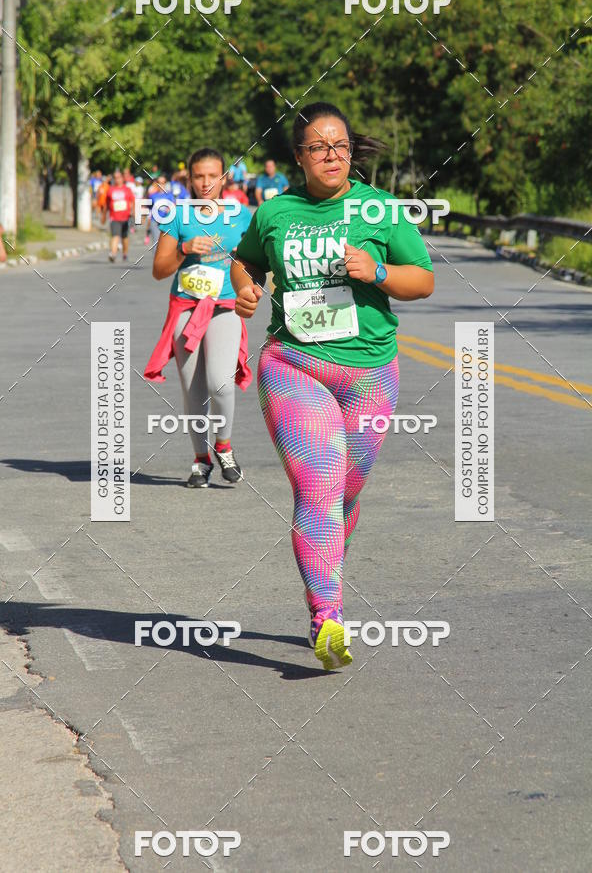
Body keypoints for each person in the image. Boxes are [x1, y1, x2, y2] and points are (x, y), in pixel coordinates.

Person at [231, 102, 434, 670]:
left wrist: (380, 273)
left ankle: (324, 574)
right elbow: (243, 263)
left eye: (340, 146)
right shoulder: (274, 213)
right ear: (299, 157)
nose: (331, 156)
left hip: (370, 375)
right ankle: (328, 618)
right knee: (318, 486)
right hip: (292, 364)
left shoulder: (381, 210)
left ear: (351, 151)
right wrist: (245, 290)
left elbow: (424, 280)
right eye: (318, 147)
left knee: (344, 492)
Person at [144, 148, 254, 488]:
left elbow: (254, 263)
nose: (206, 183)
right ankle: (200, 460)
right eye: (199, 176)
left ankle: (223, 445)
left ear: (224, 178)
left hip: (225, 308)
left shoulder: (241, 215)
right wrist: (183, 250)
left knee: (220, 382)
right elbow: (159, 271)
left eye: (213, 176)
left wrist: (253, 287)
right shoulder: (176, 215)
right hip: (186, 308)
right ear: (189, 179)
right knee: (193, 390)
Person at [102, 170, 135, 262]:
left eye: (119, 177)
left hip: (126, 217)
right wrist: (104, 216)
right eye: (115, 178)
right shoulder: (110, 190)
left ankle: (125, 254)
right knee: (115, 235)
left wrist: (133, 212)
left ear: (122, 178)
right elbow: (106, 204)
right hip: (114, 217)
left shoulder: (127, 190)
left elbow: (133, 201)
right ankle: (113, 254)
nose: (117, 180)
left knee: (125, 237)